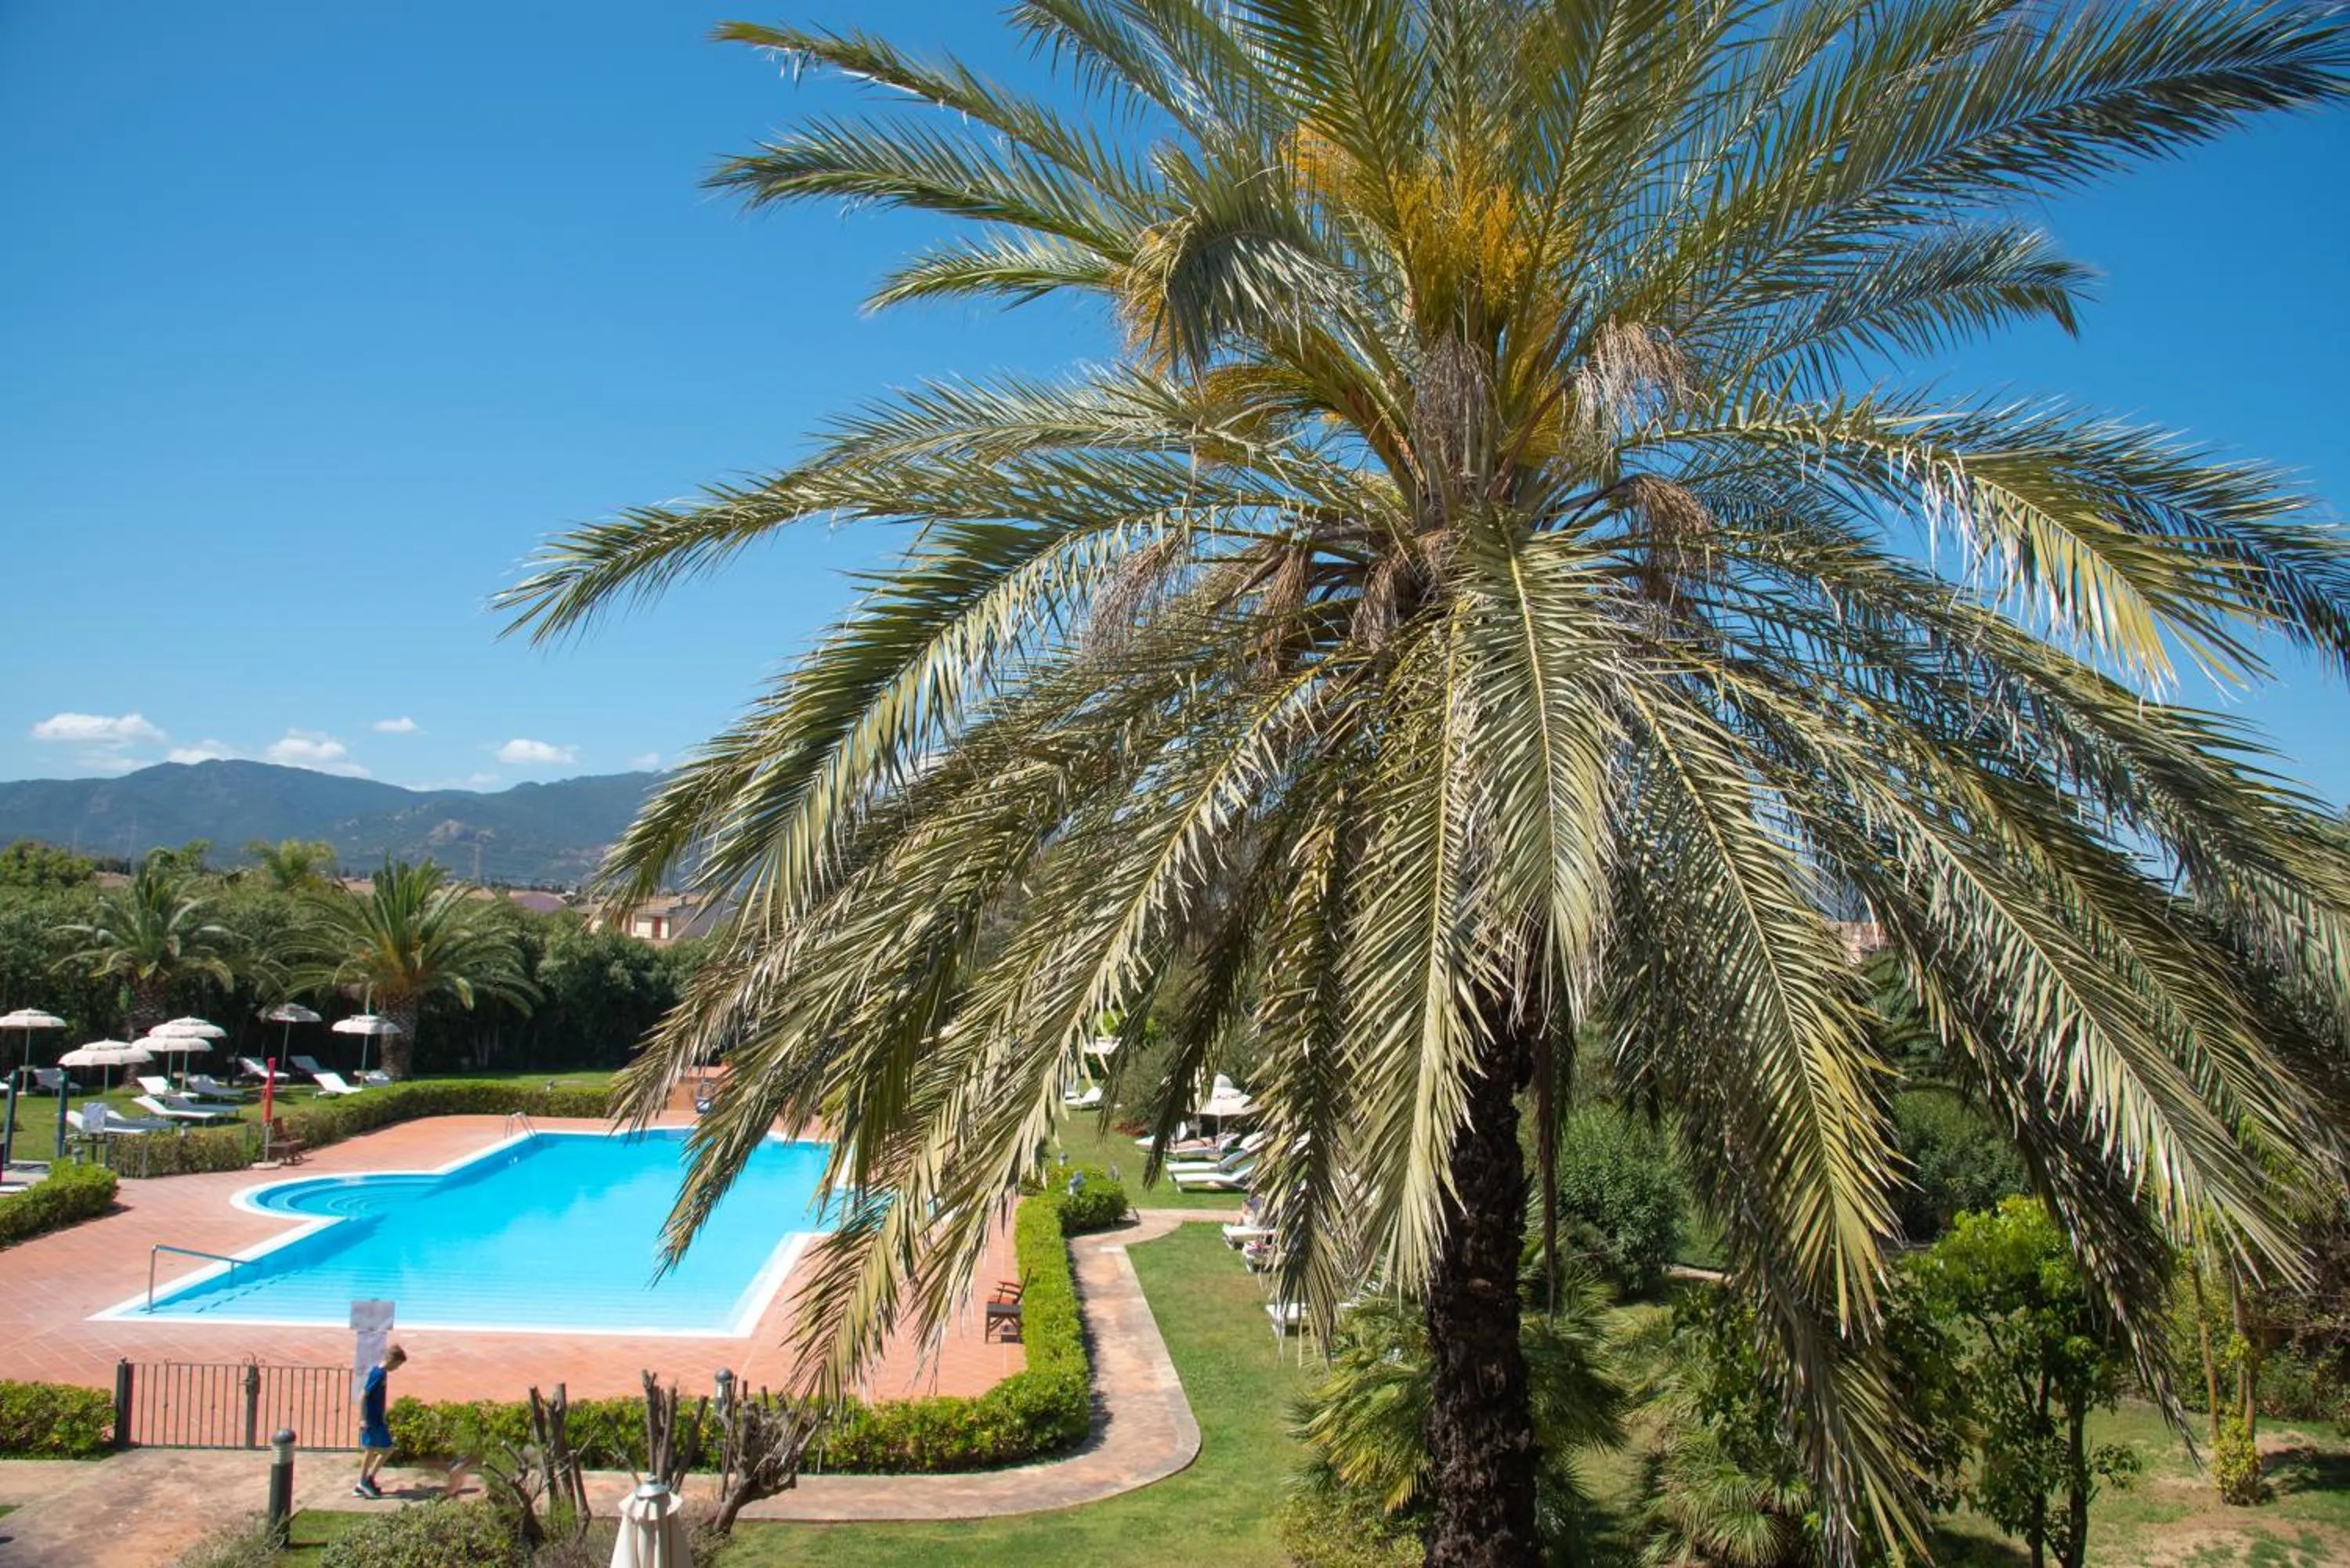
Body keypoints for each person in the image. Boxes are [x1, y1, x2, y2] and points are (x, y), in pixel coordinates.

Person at [353, 1343, 407, 1498]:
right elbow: (364, 1395)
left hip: (377, 1418)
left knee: (377, 1449)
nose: (397, 1368)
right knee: (378, 1449)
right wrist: (363, 1419)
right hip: (372, 1420)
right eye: (398, 1365)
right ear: (393, 1360)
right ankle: (363, 1482)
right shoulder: (377, 1374)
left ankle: (366, 1480)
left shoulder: (381, 1373)